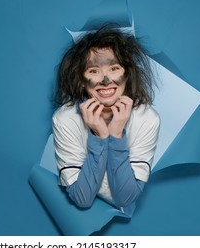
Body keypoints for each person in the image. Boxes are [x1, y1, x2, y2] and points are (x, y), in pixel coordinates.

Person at [52, 27, 160, 209]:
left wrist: (117, 133)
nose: (105, 80)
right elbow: (82, 199)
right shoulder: (65, 119)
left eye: (114, 68)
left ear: (128, 74)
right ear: (80, 79)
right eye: (94, 71)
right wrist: (100, 135)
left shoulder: (147, 118)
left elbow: (124, 198)